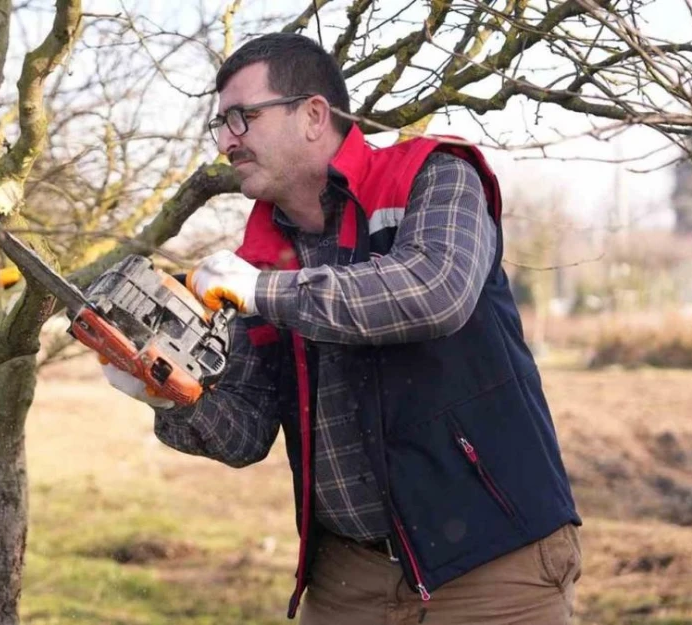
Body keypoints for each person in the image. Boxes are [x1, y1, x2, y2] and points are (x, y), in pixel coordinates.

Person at [103, 34, 582, 624]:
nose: (227, 139)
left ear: (313, 114)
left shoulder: (435, 176)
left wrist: (265, 293)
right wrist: (168, 389)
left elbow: (434, 292)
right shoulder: (259, 258)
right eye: (219, 124)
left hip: (492, 567)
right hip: (346, 581)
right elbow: (246, 432)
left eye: (241, 117)